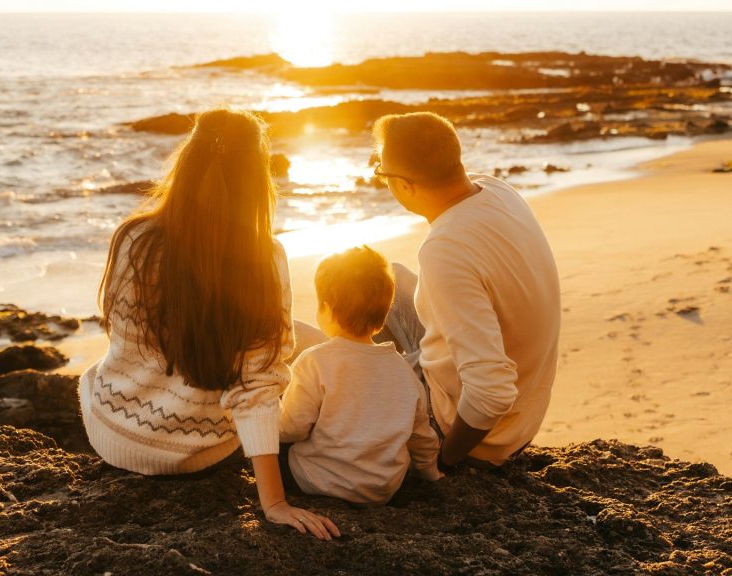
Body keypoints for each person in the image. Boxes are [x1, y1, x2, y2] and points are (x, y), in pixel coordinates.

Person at [78, 109, 339, 540]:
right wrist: (273, 502)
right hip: (196, 453)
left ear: (187, 161)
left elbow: (123, 338)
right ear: (257, 178)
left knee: (294, 336)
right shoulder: (264, 259)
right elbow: (256, 389)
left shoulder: (133, 239)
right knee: (303, 346)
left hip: (113, 434)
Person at [371, 112, 561, 469]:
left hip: (477, 435)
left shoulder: (445, 249)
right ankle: (381, 377)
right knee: (387, 278)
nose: (381, 181)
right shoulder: (497, 190)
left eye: (381, 174)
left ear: (405, 185)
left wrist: (446, 460)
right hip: (525, 414)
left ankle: (379, 394)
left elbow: (491, 392)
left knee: (315, 358)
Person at [278, 246, 441, 505]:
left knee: (276, 445)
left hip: (317, 481)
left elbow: (291, 429)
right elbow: (421, 435)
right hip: (383, 488)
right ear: (384, 314)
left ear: (327, 309)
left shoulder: (313, 361)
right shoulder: (404, 372)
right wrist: (429, 472)